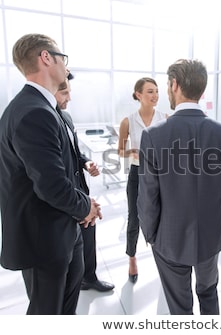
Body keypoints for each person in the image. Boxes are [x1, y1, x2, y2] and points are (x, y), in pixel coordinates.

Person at [0, 33, 102, 314]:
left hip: (61, 231)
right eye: (62, 59)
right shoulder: (34, 112)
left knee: (64, 310)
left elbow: (61, 169)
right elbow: (52, 186)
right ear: (46, 58)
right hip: (44, 240)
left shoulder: (44, 108)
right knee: (47, 314)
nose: (65, 68)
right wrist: (87, 207)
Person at [137, 59, 221, 315]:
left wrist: (150, 234)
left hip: (168, 239)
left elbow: (148, 193)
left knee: (179, 306)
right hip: (211, 235)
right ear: (201, 90)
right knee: (209, 292)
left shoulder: (152, 135)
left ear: (174, 85)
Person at [55, 73, 114, 292]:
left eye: (69, 91)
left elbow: (75, 154)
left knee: (88, 236)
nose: (69, 97)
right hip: (64, 194)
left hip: (80, 191)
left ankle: (89, 277)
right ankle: (73, 280)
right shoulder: (44, 119)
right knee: (69, 243)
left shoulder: (67, 118)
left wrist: (87, 163)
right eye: (64, 92)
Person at [118, 77, 167, 283]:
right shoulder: (128, 121)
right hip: (137, 175)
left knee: (163, 217)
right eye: (149, 91)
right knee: (134, 218)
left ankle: (164, 258)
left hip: (160, 175)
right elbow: (120, 152)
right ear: (138, 95)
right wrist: (133, 152)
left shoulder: (165, 118)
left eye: (156, 91)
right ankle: (132, 259)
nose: (155, 95)